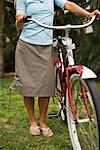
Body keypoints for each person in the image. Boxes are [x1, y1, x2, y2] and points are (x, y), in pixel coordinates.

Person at [11, 0, 100, 137]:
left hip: (46, 46)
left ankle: (42, 121)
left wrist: (88, 14)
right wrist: (20, 20)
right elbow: (18, 24)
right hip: (27, 45)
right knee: (27, 85)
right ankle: (33, 121)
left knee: (46, 86)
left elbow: (69, 5)